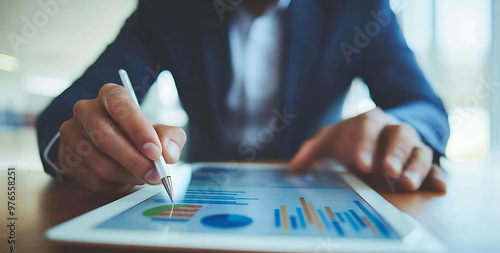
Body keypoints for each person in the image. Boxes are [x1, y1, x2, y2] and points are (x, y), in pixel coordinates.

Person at [36, 0, 449, 193]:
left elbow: (422, 105)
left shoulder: (358, 9)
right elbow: (67, 111)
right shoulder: (168, 11)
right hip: (201, 193)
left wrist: (403, 130)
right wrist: (79, 144)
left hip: (311, 193)